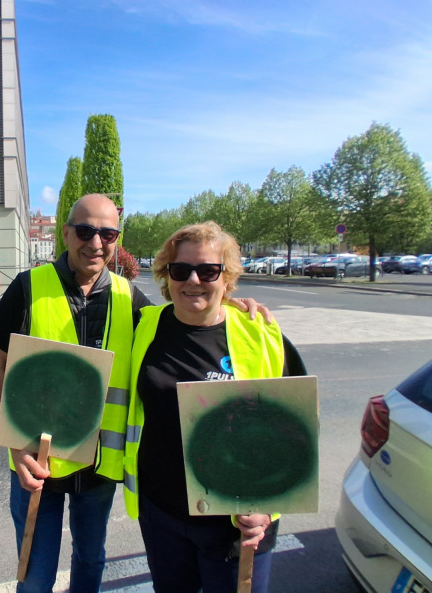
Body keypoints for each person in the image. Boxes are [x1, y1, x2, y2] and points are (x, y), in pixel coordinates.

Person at [0, 196, 268, 593]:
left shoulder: (128, 296)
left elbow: (180, 318)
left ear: (117, 239)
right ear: (65, 233)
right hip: (38, 464)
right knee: (35, 575)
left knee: (91, 559)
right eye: (84, 231)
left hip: (99, 468)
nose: (95, 242)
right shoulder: (28, 288)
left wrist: (230, 303)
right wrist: (15, 443)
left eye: (107, 233)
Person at [122, 222, 307, 593]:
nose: (193, 280)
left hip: (236, 521)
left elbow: (298, 429)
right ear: (166, 275)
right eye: (180, 270)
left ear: (227, 278)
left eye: (208, 271)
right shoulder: (144, 325)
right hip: (163, 514)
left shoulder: (261, 334)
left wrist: (265, 508)